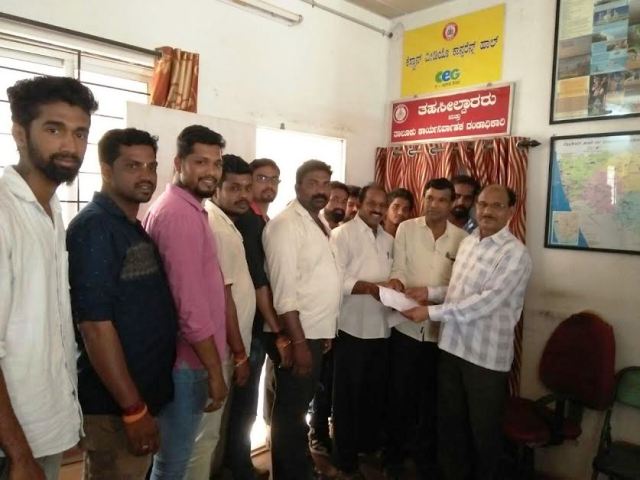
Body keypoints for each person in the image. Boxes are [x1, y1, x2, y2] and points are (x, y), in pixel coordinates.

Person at [0, 76, 97, 480]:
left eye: (80, 133)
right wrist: (20, 455)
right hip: (12, 445)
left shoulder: (51, 208)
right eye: (54, 130)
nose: (70, 146)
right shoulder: (5, 213)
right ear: (20, 134)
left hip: (40, 430)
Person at [66, 128, 177, 479]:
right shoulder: (95, 227)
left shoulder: (129, 225)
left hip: (139, 397)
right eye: (132, 166)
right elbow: (94, 327)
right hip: (114, 407)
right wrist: (133, 409)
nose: (146, 175)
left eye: (151, 166)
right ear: (105, 169)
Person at [402, 184, 533, 480]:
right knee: (450, 427)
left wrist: (430, 312)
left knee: (483, 433)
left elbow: (485, 303)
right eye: (483, 204)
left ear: (511, 211)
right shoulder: (470, 242)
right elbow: (459, 291)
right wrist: (429, 293)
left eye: (497, 206)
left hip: (484, 359)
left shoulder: (515, 255)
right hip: (451, 348)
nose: (487, 211)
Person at [144, 125, 228, 480]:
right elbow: (190, 308)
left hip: (190, 359)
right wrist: (214, 371)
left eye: (216, 163)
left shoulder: (190, 210)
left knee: (174, 460)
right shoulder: (178, 216)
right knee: (172, 464)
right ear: (178, 163)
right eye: (200, 162)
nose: (211, 171)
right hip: (187, 362)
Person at [263, 160, 341, 480]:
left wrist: (326, 331)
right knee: (291, 412)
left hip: (315, 331)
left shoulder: (318, 221)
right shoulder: (285, 225)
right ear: (297, 187)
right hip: (299, 334)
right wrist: (299, 343)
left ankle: (300, 468)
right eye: (312, 183)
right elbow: (284, 294)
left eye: (325, 184)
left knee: (299, 408)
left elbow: (317, 280)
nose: (320, 190)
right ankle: (290, 474)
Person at [386, 178, 467, 479]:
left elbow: (460, 286)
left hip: (440, 333)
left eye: (442, 200)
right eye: (430, 198)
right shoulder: (407, 229)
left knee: (432, 400)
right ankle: (394, 457)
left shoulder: (462, 239)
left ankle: (424, 460)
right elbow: (398, 267)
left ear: (451, 203)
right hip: (406, 327)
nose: (434, 204)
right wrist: (397, 283)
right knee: (400, 396)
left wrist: (430, 294)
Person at [185, 154, 256, 479]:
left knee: (209, 435)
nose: (243, 195)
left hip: (225, 346)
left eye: (247, 188)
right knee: (204, 436)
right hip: (221, 348)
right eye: (234, 188)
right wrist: (239, 354)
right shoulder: (217, 227)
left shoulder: (225, 223)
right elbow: (224, 297)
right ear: (217, 189)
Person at [225, 157, 288, 480]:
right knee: (244, 401)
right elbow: (258, 280)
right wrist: (277, 329)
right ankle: (238, 466)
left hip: (257, 323)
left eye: (275, 179)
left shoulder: (264, 220)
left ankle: (237, 462)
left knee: (247, 399)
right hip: (250, 325)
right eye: (262, 178)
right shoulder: (248, 222)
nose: (269, 185)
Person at [330, 184, 393, 479]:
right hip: (351, 328)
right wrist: (371, 288)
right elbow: (336, 279)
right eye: (372, 203)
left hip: (382, 329)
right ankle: (344, 460)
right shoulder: (342, 235)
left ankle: (366, 447)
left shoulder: (389, 239)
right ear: (360, 204)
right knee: (346, 399)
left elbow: (393, 276)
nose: (377, 209)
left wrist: (396, 285)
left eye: (382, 204)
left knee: (373, 395)